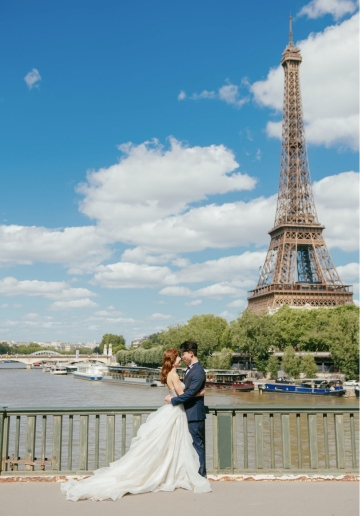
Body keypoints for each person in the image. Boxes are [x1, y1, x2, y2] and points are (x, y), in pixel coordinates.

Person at [60, 348, 211, 501]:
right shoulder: (173, 375)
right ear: (173, 361)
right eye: (178, 357)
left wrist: (177, 396)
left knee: (169, 445)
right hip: (177, 411)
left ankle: (170, 472)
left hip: (174, 411)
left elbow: (180, 394)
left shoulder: (171, 374)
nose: (180, 358)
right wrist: (199, 393)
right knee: (175, 444)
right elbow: (183, 396)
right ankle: (175, 473)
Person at [165, 340, 207, 477]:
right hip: (186, 412)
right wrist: (197, 393)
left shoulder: (198, 371)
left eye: (183, 354)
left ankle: (201, 474)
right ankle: (190, 473)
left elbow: (189, 393)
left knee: (196, 444)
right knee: (188, 445)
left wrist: (174, 400)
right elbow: (190, 392)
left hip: (194, 414)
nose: (182, 357)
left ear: (191, 353)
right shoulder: (190, 370)